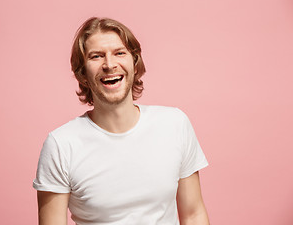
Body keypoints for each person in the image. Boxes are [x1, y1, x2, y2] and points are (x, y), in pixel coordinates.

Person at [33, 17, 210, 225]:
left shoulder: (175, 124)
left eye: (119, 53)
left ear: (135, 63)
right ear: (82, 74)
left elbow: (193, 214)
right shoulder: (61, 145)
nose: (109, 65)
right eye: (97, 56)